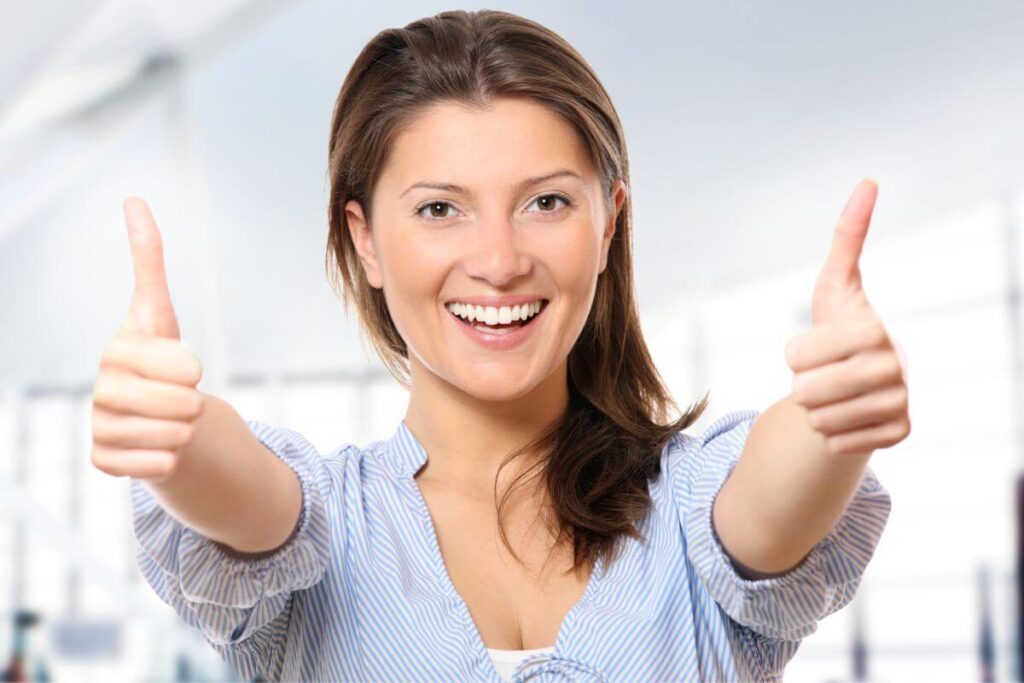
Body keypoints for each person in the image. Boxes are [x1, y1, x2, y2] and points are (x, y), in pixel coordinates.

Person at [91, 9, 899, 682]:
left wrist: (832, 418)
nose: (501, 261)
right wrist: (179, 437)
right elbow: (249, 502)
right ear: (364, 239)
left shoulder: (690, 512)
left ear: (608, 219)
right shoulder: (330, 527)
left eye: (546, 201)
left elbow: (769, 503)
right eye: (441, 209)